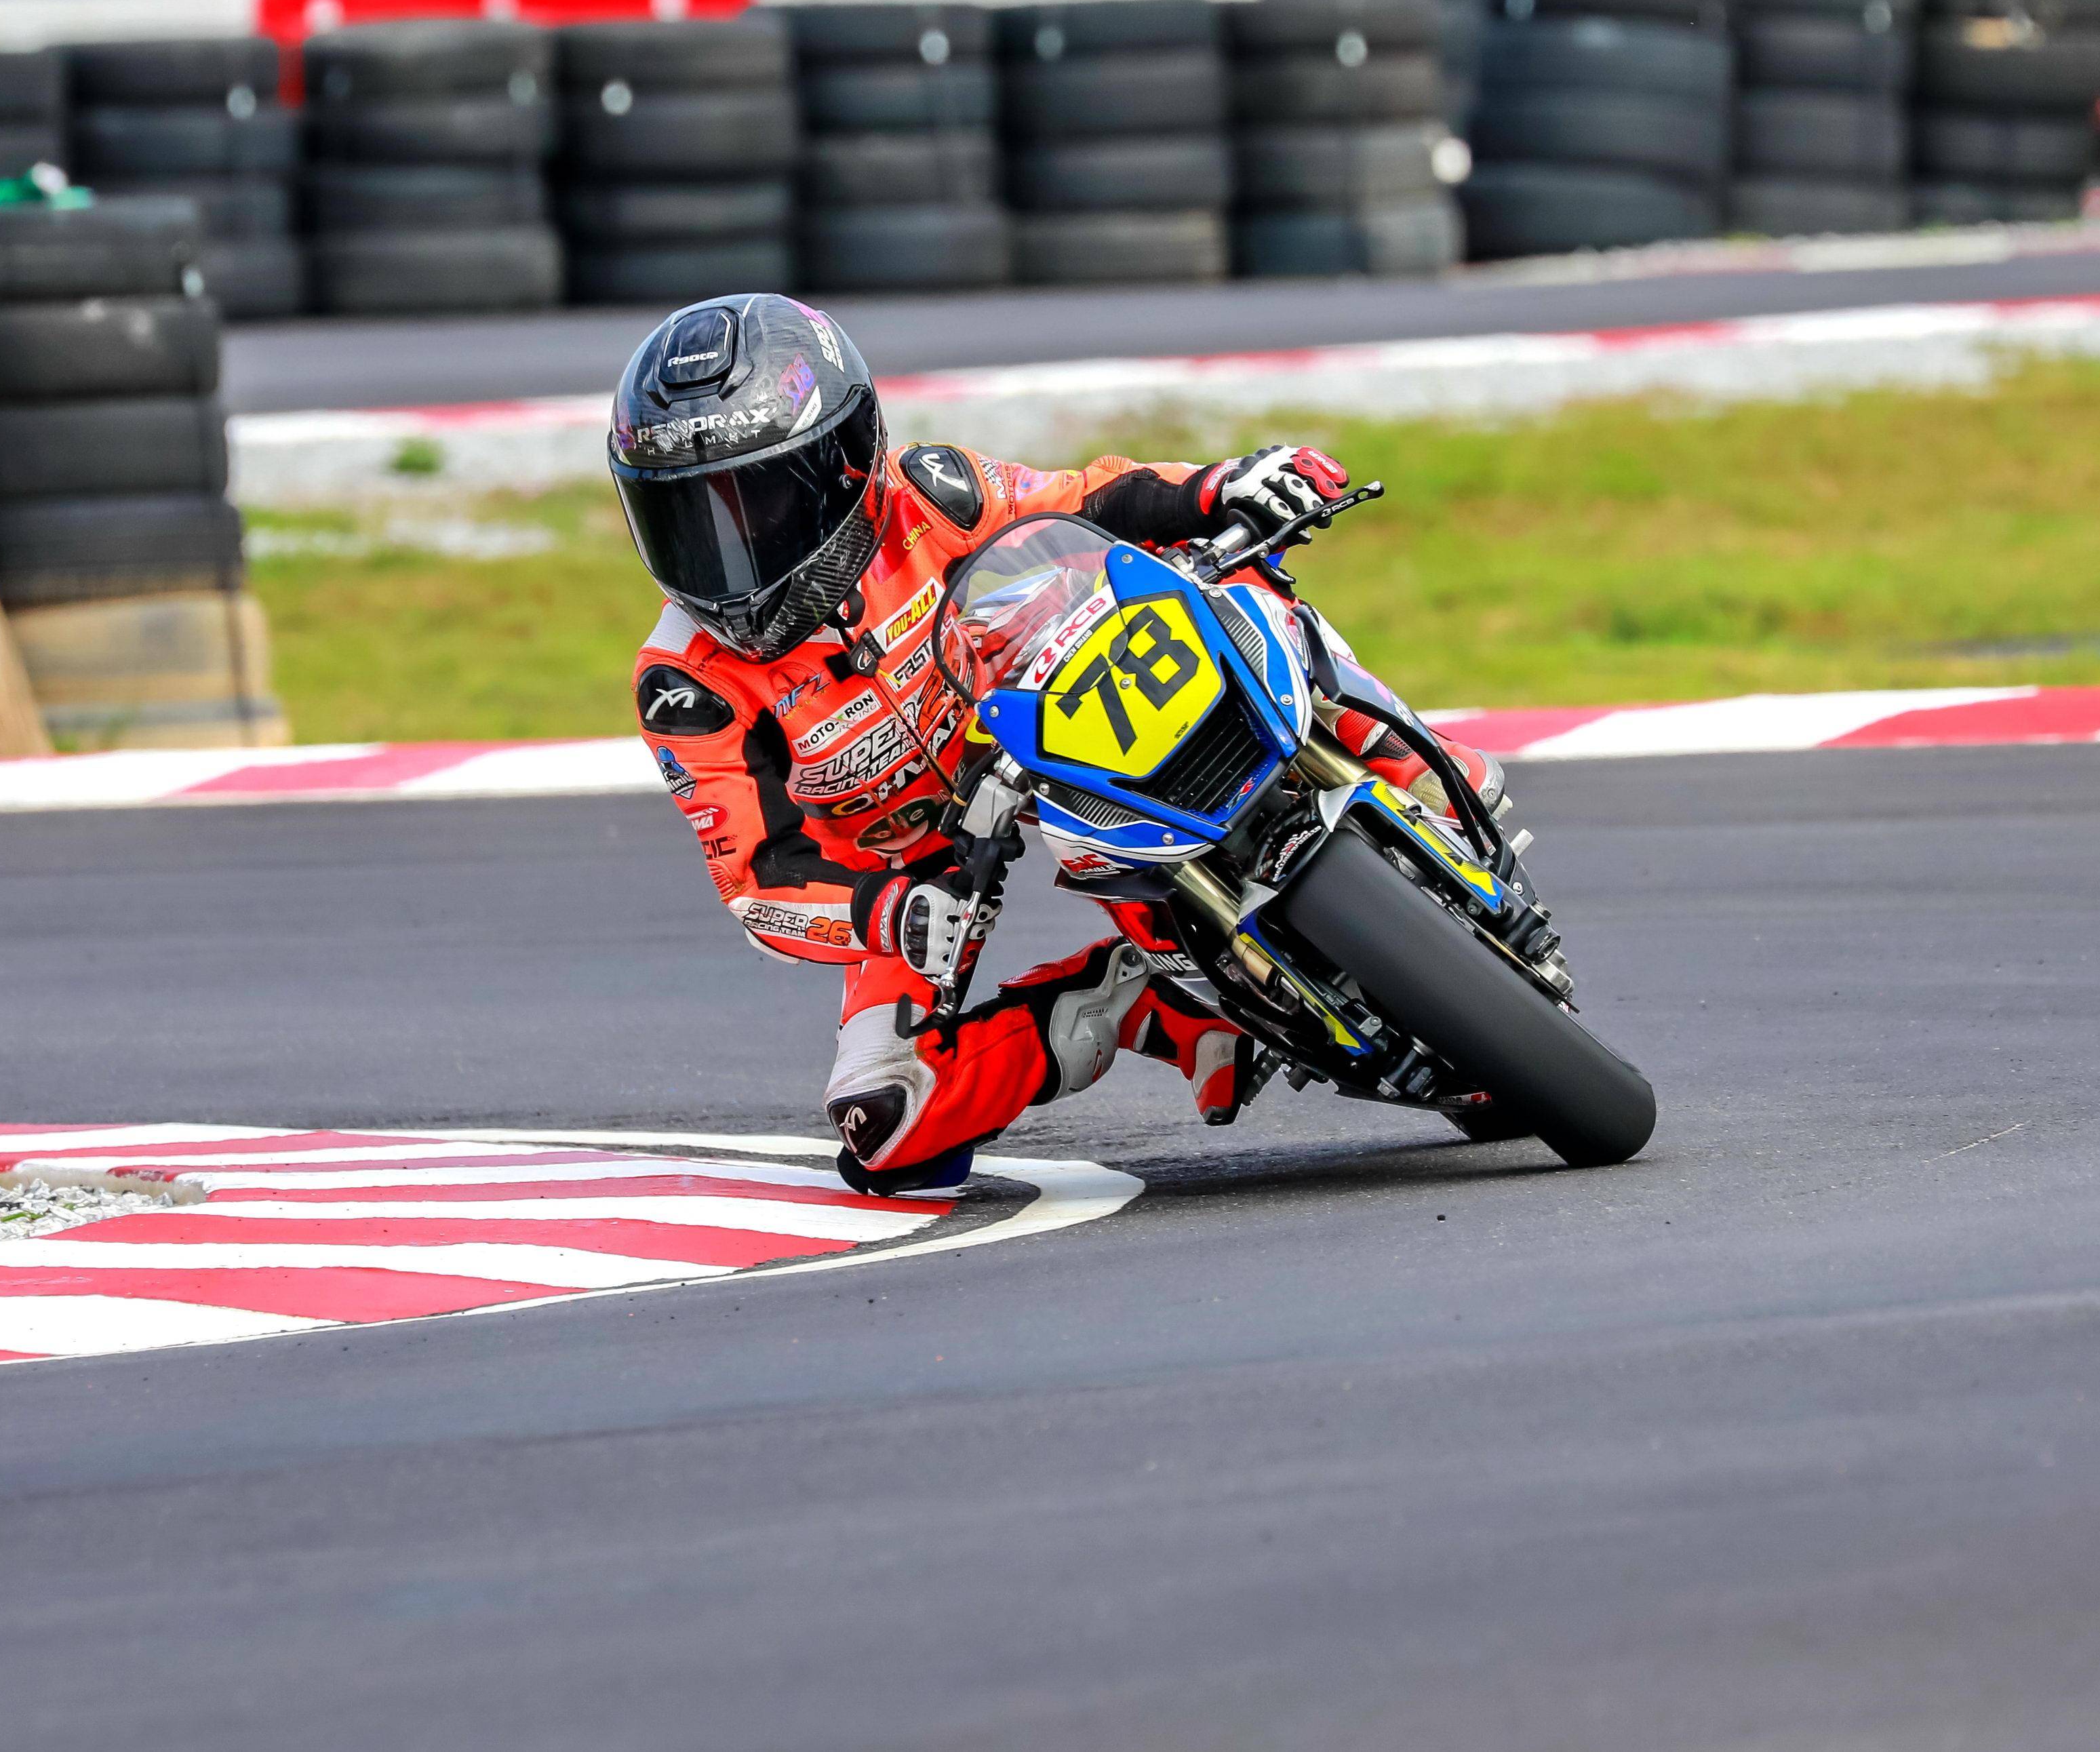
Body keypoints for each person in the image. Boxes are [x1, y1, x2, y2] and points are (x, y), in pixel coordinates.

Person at [614, 294, 1501, 1195]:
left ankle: (1404, 755)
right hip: (919, 876)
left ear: (844, 466)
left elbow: (1090, 500)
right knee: (886, 1128)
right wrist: (886, 912)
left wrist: (1220, 486)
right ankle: (1143, 997)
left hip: (1052, 733)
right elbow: (759, 880)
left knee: (1218, 573)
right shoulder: (685, 684)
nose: (728, 553)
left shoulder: (933, 494)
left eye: (756, 506)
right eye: (686, 519)